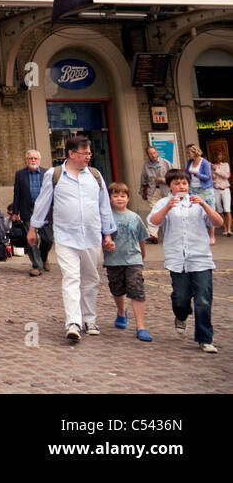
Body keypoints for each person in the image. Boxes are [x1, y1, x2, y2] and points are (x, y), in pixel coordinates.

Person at [28, 134, 115, 342]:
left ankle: (89, 319)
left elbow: (104, 205)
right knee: (71, 278)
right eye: (85, 153)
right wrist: (33, 228)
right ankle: (73, 323)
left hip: (92, 235)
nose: (88, 157)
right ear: (71, 154)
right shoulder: (55, 174)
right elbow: (43, 202)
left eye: (89, 153)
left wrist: (108, 233)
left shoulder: (95, 175)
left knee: (91, 279)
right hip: (66, 236)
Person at [148, 168, 223, 354]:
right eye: (177, 184)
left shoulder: (197, 202)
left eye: (184, 183)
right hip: (177, 258)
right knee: (181, 298)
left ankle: (205, 338)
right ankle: (181, 315)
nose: (181, 186)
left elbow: (218, 222)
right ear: (170, 187)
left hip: (200, 257)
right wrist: (167, 208)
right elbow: (153, 222)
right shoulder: (164, 203)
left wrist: (205, 205)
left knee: (203, 299)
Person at [104, 181, 151, 341]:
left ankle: (141, 327)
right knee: (117, 289)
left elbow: (141, 238)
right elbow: (101, 238)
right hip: (113, 260)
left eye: (123, 196)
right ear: (109, 198)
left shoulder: (135, 217)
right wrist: (106, 243)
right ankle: (121, 311)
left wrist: (142, 256)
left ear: (128, 198)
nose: (119, 199)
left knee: (137, 290)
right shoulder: (106, 218)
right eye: (115, 195)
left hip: (134, 259)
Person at [14, 149, 54, 274]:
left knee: (48, 238)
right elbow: (17, 194)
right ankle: (37, 266)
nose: (33, 160)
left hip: (44, 210)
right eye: (30, 158)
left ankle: (43, 257)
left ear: (39, 160)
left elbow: (52, 192)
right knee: (32, 238)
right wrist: (15, 212)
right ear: (27, 160)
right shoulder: (20, 174)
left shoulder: (47, 173)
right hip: (27, 209)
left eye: (35, 158)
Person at [138, 145, 171, 243]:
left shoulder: (166, 163)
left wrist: (163, 180)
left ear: (157, 153)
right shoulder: (146, 166)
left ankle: (170, 234)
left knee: (167, 213)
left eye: (154, 153)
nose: (153, 155)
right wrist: (143, 193)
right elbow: (143, 180)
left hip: (166, 191)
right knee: (154, 211)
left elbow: (173, 177)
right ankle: (152, 235)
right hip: (153, 192)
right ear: (147, 155)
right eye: (150, 154)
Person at [185, 143, 217, 246]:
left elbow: (208, 177)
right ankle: (200, 235)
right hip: (192, 189)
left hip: (205, 190)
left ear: (195, 152)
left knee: (209, 212)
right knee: (194, 212)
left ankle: (212, 236)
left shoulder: (205, 163)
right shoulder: (190, 162)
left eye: (189, 153)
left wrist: (196, 173)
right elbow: (186, 174)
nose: (188, 155)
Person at [211, 148, 231, 237]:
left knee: (227, 210)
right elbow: (210, 179)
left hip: (225, 189)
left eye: (221, 155)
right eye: (218, 155)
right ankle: (225, 228)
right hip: (216, 189)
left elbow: (227, 176)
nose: (220, 157)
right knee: (219, 210)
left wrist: (217, 170)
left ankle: (229, 230)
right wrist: (213, 180)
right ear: (214, 157)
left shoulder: (225, 165)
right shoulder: (211, 166)